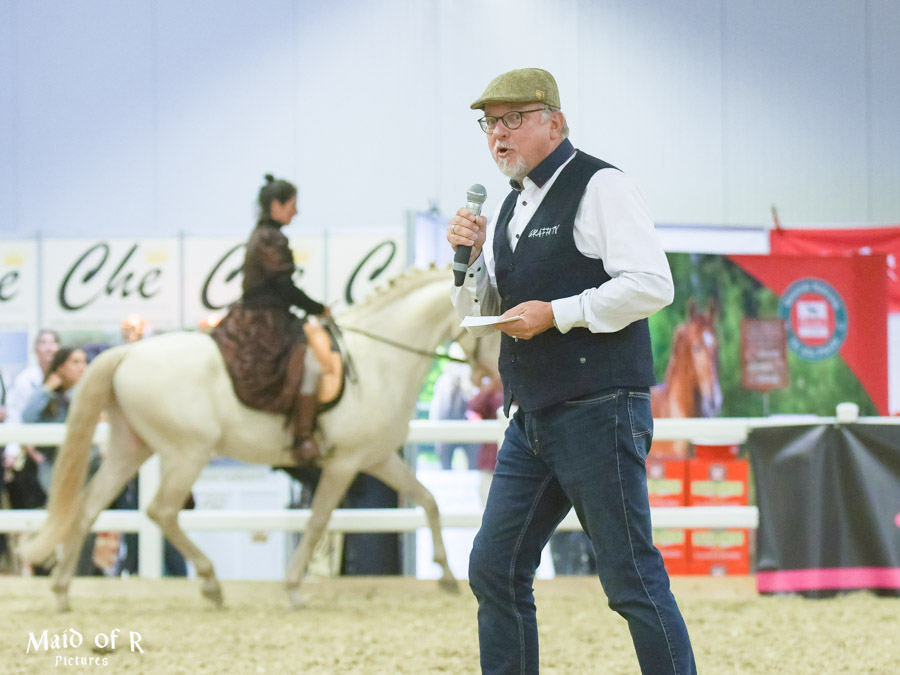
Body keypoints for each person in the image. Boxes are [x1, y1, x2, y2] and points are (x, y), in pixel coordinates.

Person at [448, 68, 695, 674]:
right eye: (489, 123)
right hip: (531, 415)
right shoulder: (510, 208)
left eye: (512, 119)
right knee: (494, 568)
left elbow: (652, 284)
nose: (497, 135)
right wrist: (471, 264)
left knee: (629, 577)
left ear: (554, 123)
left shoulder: (601, 185)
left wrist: (558, 313)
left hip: (599, 409)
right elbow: (490, 312)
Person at [214, 174, 330, 463]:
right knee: (313, 366)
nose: (296, 211)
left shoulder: (265, 235)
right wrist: (317, 308)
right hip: (266, 323)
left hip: (269, 316)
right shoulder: (270, 238)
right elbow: (284, 287)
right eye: (292, 205)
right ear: (276, 206)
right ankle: (302, 437)